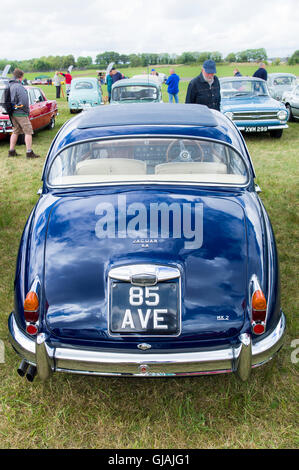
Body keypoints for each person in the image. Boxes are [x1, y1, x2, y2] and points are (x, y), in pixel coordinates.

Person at [8, 68, 40, 158]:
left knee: (15, 131)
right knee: (28, 131)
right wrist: (26, 111)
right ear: (20, 77)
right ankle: (29, 152)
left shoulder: (9, 85)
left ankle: (11, 151)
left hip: (12, 112)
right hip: (21, 113)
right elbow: (24, 102)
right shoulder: (19, 87)